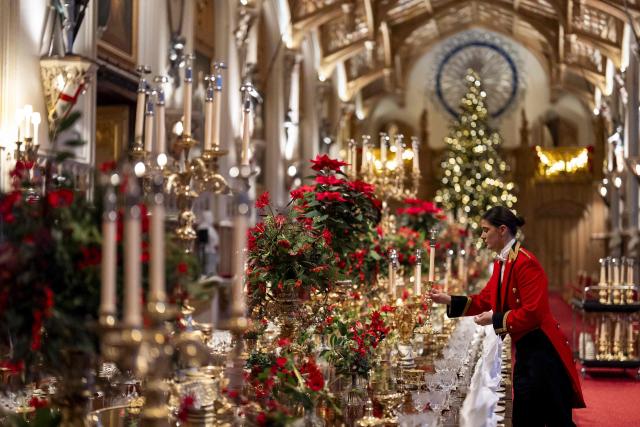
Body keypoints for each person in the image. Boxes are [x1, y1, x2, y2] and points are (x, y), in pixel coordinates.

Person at [430, 206, 585, 426]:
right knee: (526, 415)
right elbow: (485, 299)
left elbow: (534, 313)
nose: (482, 236)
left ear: (502, 230)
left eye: (486, 230)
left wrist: (494, 320)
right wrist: (448, 299)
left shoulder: (525, 262)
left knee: (552, 418)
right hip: (527, 350)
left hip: (544, 351)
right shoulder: (503, 262)